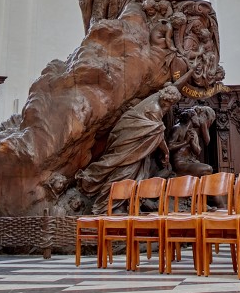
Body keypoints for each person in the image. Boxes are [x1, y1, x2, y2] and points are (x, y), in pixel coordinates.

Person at [76, 84, 182, 212]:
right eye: (168, 103)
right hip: (130, 146)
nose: (168, 106)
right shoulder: (155, 110)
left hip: (132, 143)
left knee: (128, 174)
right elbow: (158, 134)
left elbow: (155, 131)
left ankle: (119, 206)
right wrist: (166, 152)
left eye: (170, 104)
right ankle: (105, 207)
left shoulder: (155, 98)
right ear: (165, 99)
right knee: (123, 173)